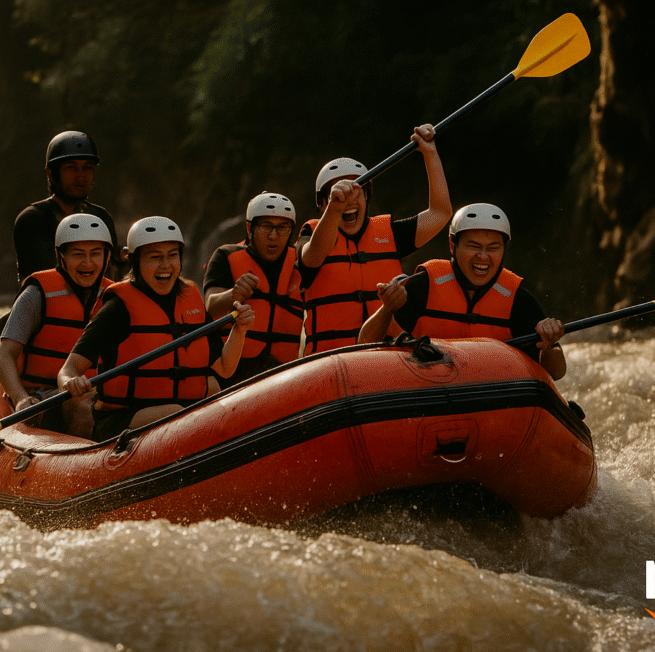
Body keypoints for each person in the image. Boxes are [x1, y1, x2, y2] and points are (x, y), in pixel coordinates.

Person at [58, 216, 256, 442]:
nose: (165, 265)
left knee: (213, 390)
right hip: (124, 417)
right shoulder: (117, 309)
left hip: (185, 413)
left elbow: (225, 368)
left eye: (172, 255)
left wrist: (239, 330)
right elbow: (69, 369)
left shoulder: (190, 299)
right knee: (174, 412)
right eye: (155, 257)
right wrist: (71, 382)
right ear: (134, 262)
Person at [357, 203, 567, 380]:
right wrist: (387, 309)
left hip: (492, 400)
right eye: (473, 246)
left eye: (493, 248)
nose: (482, 257)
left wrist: (550, 344)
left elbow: (555, 373)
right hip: (428, 389)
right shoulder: (422, 286)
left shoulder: (519, 300)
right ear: (452, 245)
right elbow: (364, 346)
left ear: (503, 250)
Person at [297, 123, 452, 355]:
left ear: (367, 195)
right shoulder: (310, 236)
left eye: (357, 189)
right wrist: (334, 207)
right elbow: (313, 255)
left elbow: (440, 213)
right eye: (338, 193)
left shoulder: (389, 234)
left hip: (381, 360)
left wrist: (430, 153)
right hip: (329, 363)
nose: (349, 199)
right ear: (322, 204)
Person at [0, 213, 114, 437]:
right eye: (78, 254)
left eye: (95, 254)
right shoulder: (36, 294)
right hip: (43, 397)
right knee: (83, 405)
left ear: (107, 257)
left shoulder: (115, 297)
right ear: (62, 257)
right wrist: (20, 398)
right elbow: (4, 356)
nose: (87, 263)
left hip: (99, 393)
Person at [203, 192, 303, 385]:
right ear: (250, 228)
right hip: (234, 372)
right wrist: (234, 294)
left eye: (282, 228)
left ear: (291, 231)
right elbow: (210, 304)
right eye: (266, 227)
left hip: (286, 373)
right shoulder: (225, 255)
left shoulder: (301, 261)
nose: (274, 236)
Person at [13, 130, 123, 284]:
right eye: (71, 167)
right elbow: (46, 276)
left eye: (88, 167)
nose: (81, 175)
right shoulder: (33, 219)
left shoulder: (100, 217)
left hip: (95, 305)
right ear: (50, 173)